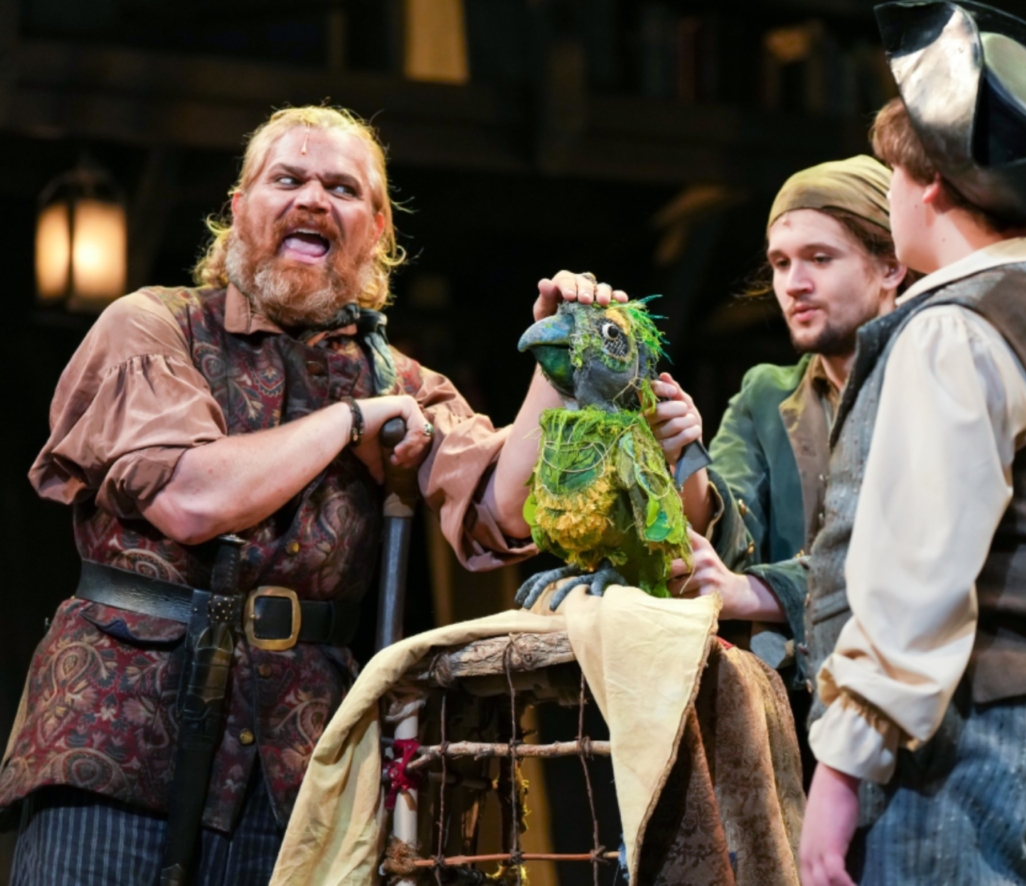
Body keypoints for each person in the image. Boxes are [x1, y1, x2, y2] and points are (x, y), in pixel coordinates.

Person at [0, 105, 620, 885]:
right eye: (287, 179)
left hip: (300, 767)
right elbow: (191, 499)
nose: (313, 200)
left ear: (377, 226)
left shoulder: (398, 379)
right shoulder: (154, 327)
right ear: (238, 209)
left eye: (342, 188)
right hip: (122, 742)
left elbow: (502, 509)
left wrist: (556, 360)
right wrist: (348, 422)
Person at [796, 4, 1026, 885]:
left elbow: (920, 570)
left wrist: (840, 772)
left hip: (955, 747)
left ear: (927, 187)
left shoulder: (953, 330)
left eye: (888, 179)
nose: (887, 199)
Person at [649, 156, 907, 684]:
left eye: (819, 257)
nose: (794, 283)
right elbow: (727, 541)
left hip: (918, 699)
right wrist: (683, 455)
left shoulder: (938, 387)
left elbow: (901, 553)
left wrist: (750, 592)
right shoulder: (765, 396)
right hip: (799, 708)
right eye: (782, 263)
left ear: (891, 265)